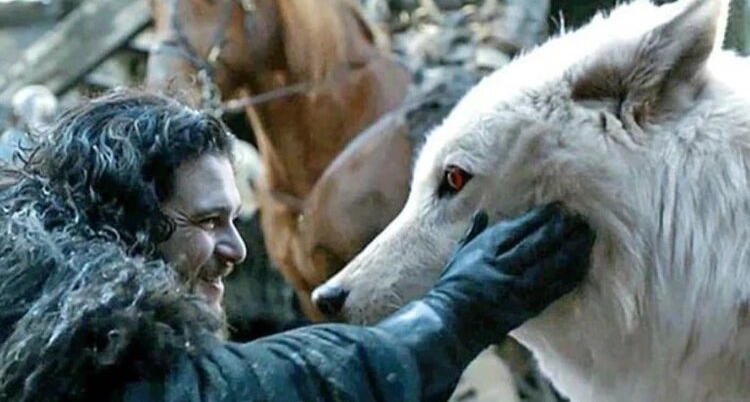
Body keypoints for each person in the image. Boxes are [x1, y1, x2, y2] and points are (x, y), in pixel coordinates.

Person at [0, 90, 594, 402]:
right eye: (209, 220)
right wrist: (452, 315)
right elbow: (238, 392)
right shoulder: (70, 347)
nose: (238, 249)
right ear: (125, 218)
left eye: (235, 220)